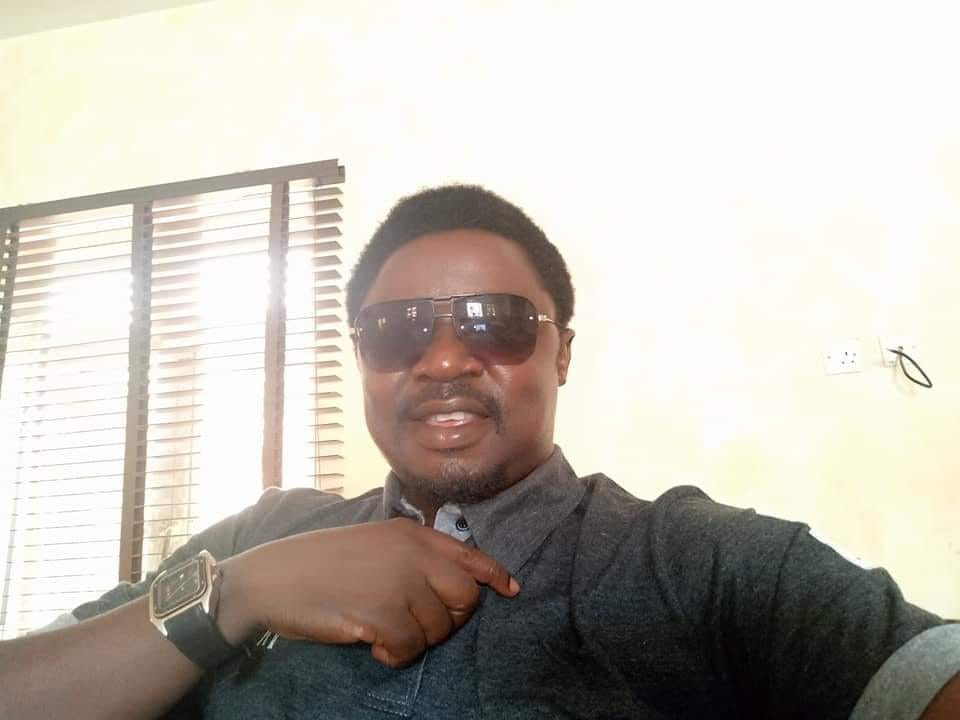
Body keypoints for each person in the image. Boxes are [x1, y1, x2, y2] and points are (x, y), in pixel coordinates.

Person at [1, 185, 957, 720]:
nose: (446, 359)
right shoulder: (264, 534)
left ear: (561, 353)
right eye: (398, 330)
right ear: (364, 360)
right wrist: (236, 593)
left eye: (494, 323)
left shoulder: (706, 563)